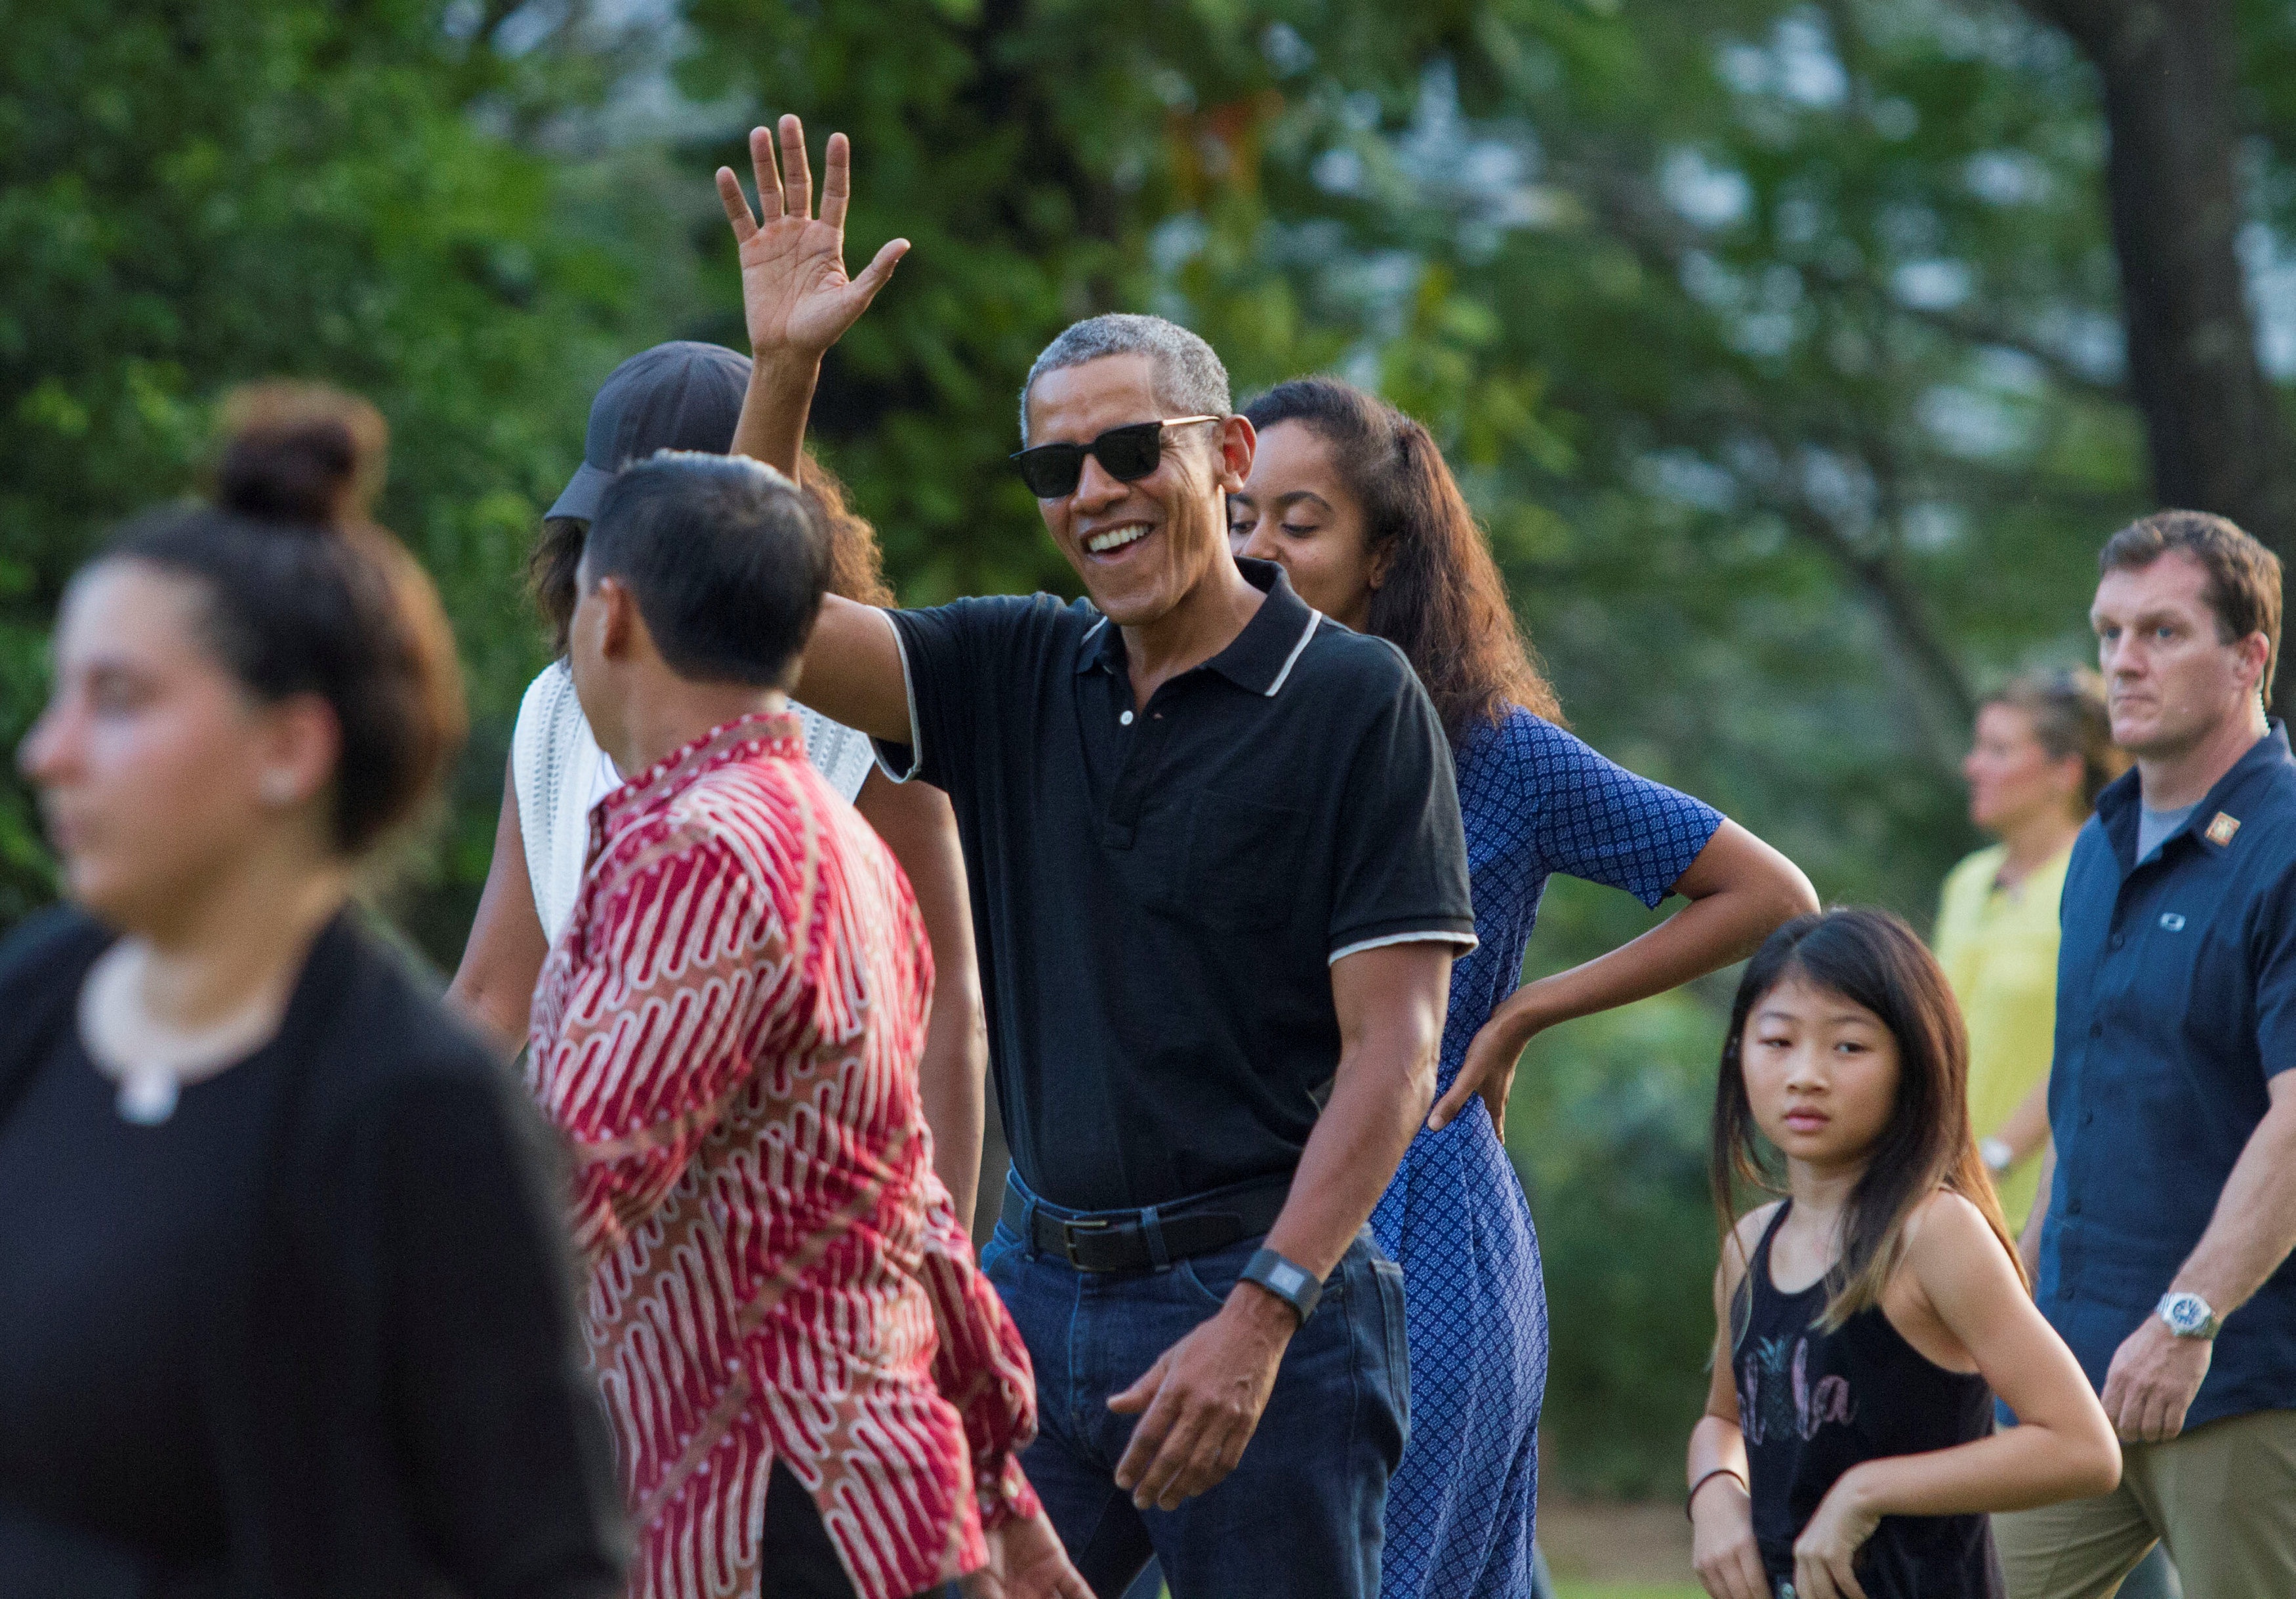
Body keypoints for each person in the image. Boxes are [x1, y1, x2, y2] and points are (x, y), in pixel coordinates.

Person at [716, 117, 1472, 1596]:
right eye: (1056, 468)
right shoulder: (1010, 668)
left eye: (1134, 451)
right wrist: (786, 371)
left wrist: (1260, 1317)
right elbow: (757, 619)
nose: (1095, 492)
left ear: (1227, 457)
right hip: (1033, 1293)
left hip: (1258, 1299)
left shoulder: (1349, 697)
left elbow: (1396, 1047)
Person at [0, 384, 626, 1597]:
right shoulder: (30, 1010)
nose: (49, 750)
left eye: (117, 700)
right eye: (65, 693)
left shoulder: (420, 1114)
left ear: (290, 747)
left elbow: (546, 1561)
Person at [1227, 375, 1817, 1599]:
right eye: (1240, 515)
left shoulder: (1494, 748)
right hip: (1244, 1199)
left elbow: (1769, 894)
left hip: (1426, 1214)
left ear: (1383, 552)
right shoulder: (1204, 724)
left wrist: (1527, 1008)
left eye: (1300, 519)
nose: (1259, 548)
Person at [523, 449, 1084, 1599]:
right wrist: (997, 1491)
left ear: (611, 611)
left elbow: (572, 1174)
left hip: (761, 1504)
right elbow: (913, 1202)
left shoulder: (705, 848)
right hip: (880, 1496)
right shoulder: (844, 844)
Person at [447, 340, 994, 1226]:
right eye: (610, 539)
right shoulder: (552, 711)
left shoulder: (860, 722)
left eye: (673, 546)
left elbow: (943, 1016)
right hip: (623, 1290)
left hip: (789, 1253)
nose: (627, 574)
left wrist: (942, 1259)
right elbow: (490, 995)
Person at [1992, 511, 2296, 1599]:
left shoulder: (2288, 844)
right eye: (2110, 631)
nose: (2124, 658)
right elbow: (2088, 1090)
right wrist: (2018, 1285)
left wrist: (2187, 1318)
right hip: (2072, 1370)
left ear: (2250, 655)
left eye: (2163, 632)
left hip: (2241, 1379)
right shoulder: (2100, 841)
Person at [1687, 910, 2122, 1599]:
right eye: (1776, 1040)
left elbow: (2080, 1447)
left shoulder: (1933, 1233)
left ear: (1913, 1063)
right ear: (1738, 1052)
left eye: (1848, 1047)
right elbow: (1722, 1419)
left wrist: (1866, 1489)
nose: (1805, 1074)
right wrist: (1712, 1490)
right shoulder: (1749, 1243)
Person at [1934, 670, 2123, 1233]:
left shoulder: (2103, 881)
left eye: (1998, 750)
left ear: (2063, 773)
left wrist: (1993, 1160)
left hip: (2035, 1215)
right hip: (1937, 1201)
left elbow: (2096, 1042)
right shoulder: (1967, 881)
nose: (1973, 766)